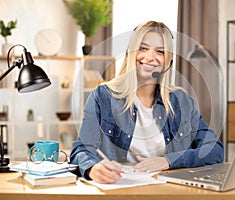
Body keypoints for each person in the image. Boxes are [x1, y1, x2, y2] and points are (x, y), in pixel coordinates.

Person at [70, 21, 224, 184]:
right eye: (143, 48)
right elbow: (81, 150)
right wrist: (93, 168)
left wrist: (169, 161)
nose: (150, 57)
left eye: (160, 51)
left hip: (169, 190)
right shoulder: (102, 96)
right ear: (130, 53)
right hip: (120, 188)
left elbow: (215, 150)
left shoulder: (182, 101)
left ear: (168, 61)